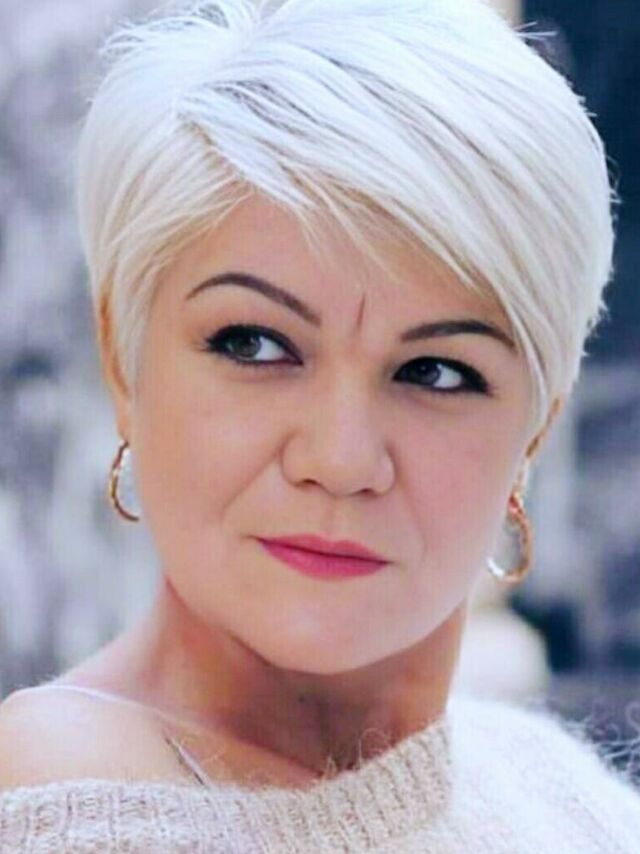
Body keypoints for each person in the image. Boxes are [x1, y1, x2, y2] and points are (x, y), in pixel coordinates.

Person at [1, 0, 638, 850]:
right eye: (256, 344)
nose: (339, 459)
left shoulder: (561, 793)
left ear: (536, 429)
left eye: (435, 372)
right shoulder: (59, 811)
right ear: (123, 359)